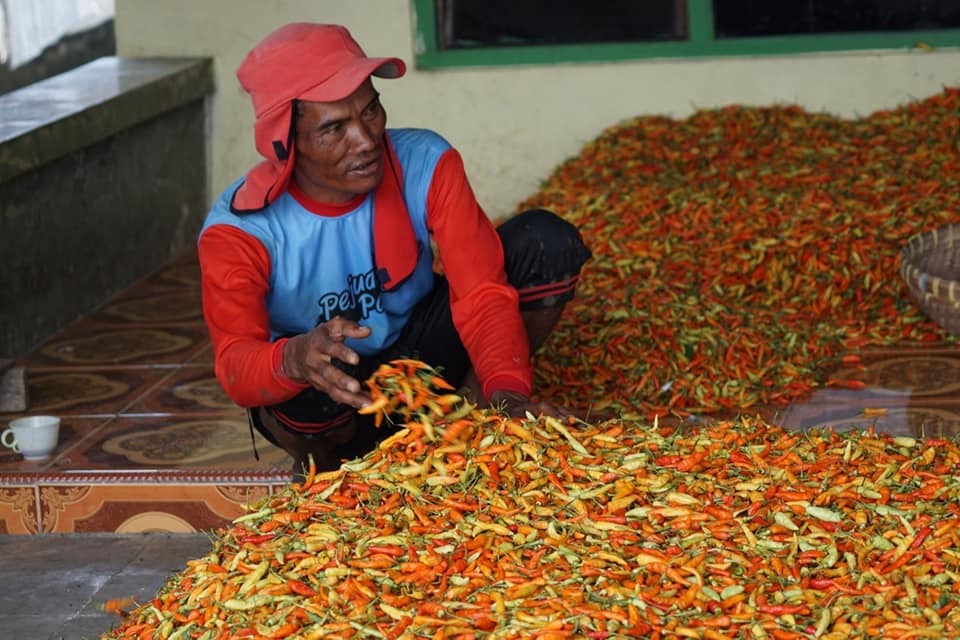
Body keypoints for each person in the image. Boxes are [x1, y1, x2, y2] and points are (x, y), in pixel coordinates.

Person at [198, 22, 592, 476]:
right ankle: (331, 472)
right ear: (284, 142)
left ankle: (474, 408)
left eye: (370, 111)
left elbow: (481, 289)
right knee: (305, 384)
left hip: (420, 350)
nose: (366, 141)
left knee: (545, 243)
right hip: (333, 386)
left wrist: (507, 389)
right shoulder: (241, 229)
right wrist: (294, 357)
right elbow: (234, 363)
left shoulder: (425, 161)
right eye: (334, 129)